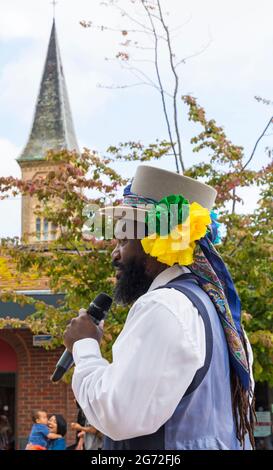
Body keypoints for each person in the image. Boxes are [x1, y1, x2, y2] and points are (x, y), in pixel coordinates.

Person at [64, 165, 255, 450]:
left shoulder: (164, 306)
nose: (115, 254)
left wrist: (85, 346)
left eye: (124, 240)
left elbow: (117, 414)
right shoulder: (218, 311)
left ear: (157, 241)